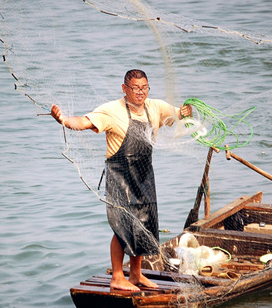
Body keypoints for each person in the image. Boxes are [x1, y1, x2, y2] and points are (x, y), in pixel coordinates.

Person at [51, 69, 192, 291]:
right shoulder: (112, 110)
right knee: (122, 226)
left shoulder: (155, 107)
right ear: (124, 88)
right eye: (135, 88)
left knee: (143, 222)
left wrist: (185, 112)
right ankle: (118, 276)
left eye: (144, 88)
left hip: (144, 174)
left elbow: (176, 115)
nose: (140, 92)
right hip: (119, 175)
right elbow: (83, 122)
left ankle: (136, 275)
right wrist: (64, 120)